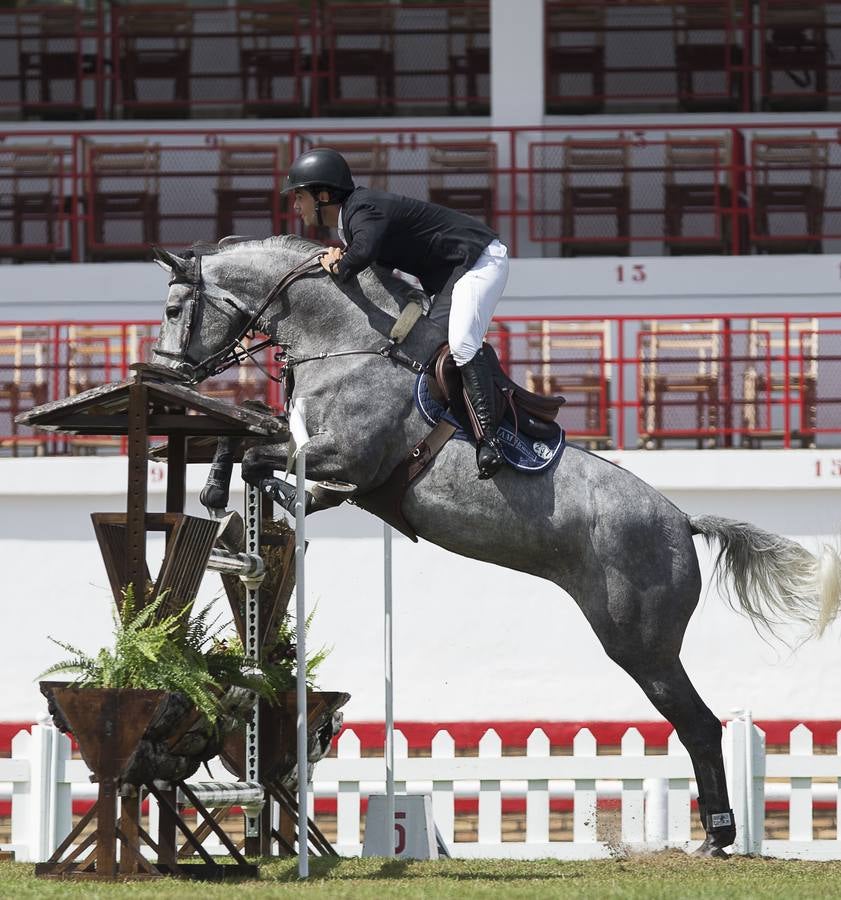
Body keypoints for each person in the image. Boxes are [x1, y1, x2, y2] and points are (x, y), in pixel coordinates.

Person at [283, 147, 510, 479]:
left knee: (461, 344)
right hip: (451, 275)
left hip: (479, 261)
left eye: (299, 196)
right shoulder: (351, 221)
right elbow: (374, 272)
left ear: (324, 195)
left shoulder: (362, 209)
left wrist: (338, 264)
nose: (295, 206)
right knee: (432, 348)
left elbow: (361, 256)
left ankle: (491, 441)